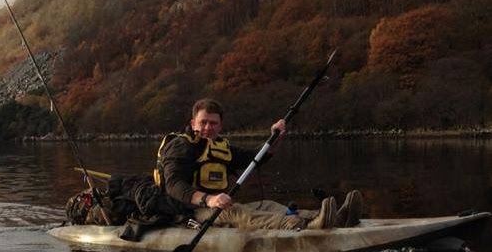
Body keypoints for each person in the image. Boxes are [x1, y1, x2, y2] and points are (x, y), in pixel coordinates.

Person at [153, 98, 363, 231]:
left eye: (213, 123)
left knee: (268, 205)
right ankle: (308, 226)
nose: (208, 127)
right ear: (193, 124)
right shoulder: (181, 146)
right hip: (190, 212)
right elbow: (174, 185)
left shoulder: (221, 147)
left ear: (221, 124)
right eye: (203, 122)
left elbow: (256, 158)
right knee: (238, 214)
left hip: (218, 206)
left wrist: (275, 139)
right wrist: (209, 199)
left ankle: (332, 218)